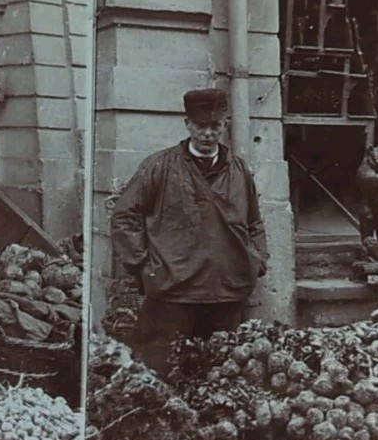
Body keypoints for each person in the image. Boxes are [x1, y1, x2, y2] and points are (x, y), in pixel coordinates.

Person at [110, 88, 269, 375]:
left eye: (215, 126)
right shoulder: (159, 166)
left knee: (218, 373)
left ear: (224, 125)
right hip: (174, 293)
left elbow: (254, 222)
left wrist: (258, 260)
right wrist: (143, 267)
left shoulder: (239, 170)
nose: (207, 134)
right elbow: (124, 215)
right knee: (160, 371)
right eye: (200, 126)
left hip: (226, 292)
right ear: (187, 125)